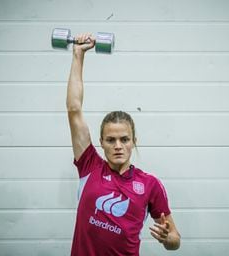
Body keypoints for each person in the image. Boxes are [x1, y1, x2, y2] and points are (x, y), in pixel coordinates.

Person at [66, 33, 181, 256]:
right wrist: (78, 55)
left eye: (124, 139)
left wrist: (169, 238)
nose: (118, 145)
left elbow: (176, 240)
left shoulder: (150, 185)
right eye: (111, 140)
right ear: (101, 142)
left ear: (133, 142)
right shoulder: (89, 165)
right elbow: (74, 109)